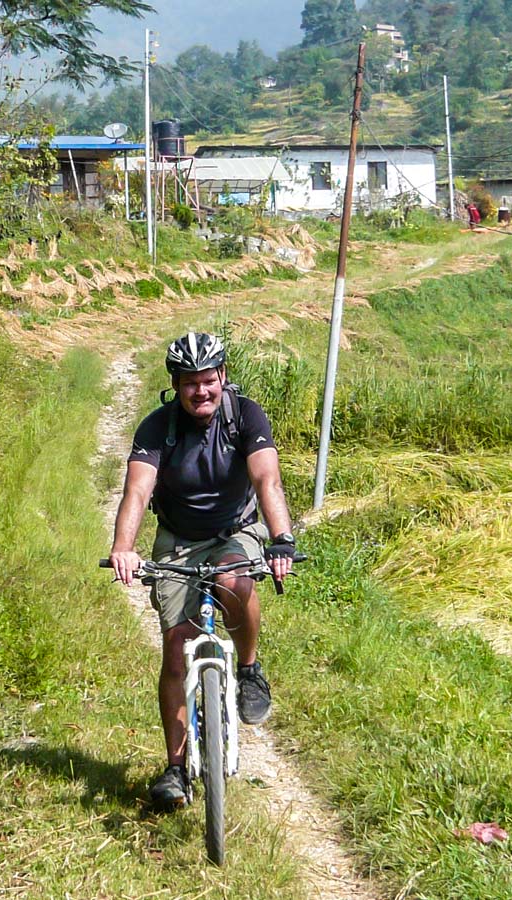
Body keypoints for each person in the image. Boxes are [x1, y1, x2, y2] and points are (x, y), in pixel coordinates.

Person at [108, 332, 296, 812]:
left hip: (237, 529)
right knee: (176, 649)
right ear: (175, 384)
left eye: (208, 380)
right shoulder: (158, 428)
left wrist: (282, 540)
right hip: (178, 539)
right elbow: (136, 491)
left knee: (235, 579)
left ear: (223, 377)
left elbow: (266, 478)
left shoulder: (245, 416)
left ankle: (249, 671)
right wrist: (123, 548)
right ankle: (175, 768)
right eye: (190, 383)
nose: (201, 392)